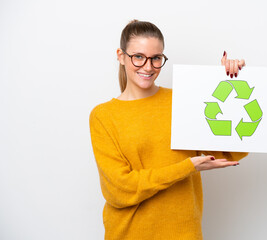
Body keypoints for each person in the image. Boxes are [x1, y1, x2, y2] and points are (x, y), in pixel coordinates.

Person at [89, 19, 248, 240]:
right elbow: (120, 190)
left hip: (183, 233)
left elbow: (230, 153)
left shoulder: (183, 101)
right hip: (128, 233)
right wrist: (185, 168)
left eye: (156, 58)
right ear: (121, 56)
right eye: (138, 57)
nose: (148, 67)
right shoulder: (104, 116)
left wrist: (232, 82)